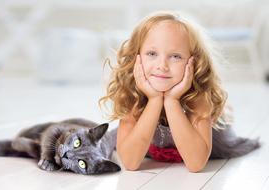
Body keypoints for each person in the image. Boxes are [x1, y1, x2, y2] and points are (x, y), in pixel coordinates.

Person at [99, 11, 259, 173]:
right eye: (152, 54)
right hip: (152, 142)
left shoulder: (198, 97)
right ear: (136, 58)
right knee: (107, 139)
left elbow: (196, 164)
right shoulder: (133, 93)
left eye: (175, 56)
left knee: (219, 117)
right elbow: (130, 163)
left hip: (213, 137)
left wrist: (172, 101)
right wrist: (154, 100)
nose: (162, 65)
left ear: (193, 62)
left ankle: (224, 112)